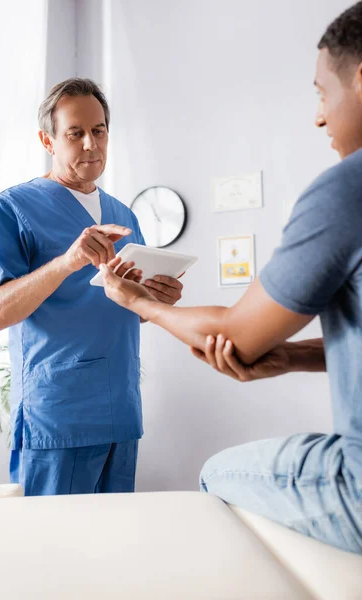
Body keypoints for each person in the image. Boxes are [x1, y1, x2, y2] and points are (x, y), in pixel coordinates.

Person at [98, 2, 362, 554]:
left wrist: (138, 300)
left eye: (321, 93)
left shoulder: (346, 189)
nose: (319, 116)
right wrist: (290, 358)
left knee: (217, 474)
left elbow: (238, 335)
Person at [0, 78, 183, 496]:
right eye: (75, 133)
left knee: (112, 548)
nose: (90, 144)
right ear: (47, 140)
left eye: (98, 130)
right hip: (59, 415)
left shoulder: (122, 214)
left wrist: (155, 300)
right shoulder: (11, 209)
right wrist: (69, 261)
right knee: (54, 549)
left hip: (120, 409)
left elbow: (120, 304)